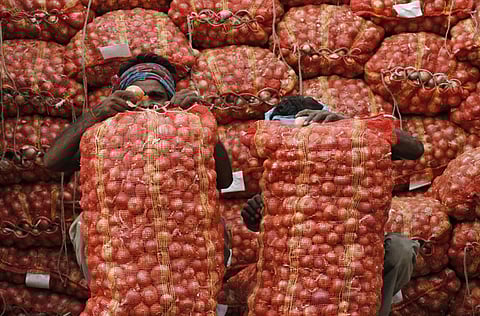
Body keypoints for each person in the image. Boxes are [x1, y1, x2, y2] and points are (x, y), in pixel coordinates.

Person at [43, 53, 234, 282]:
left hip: (180, 239)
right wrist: (96, 113)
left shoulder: (187, 132)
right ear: (122, 98)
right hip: (120, 242)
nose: (148, 103)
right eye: (138, 95)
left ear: (170, 99)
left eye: (157, 95)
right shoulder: (106, 137)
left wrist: (199, 117)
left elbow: (225, 180)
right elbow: (52, 161)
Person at [241, 96, 424, 316]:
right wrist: (256, 217)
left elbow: (416, 149)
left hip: (355, 252)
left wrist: (349, 125)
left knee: (400, 250)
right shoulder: (278, 159)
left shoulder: (353, 144)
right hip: (295, 257)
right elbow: (264, 220)